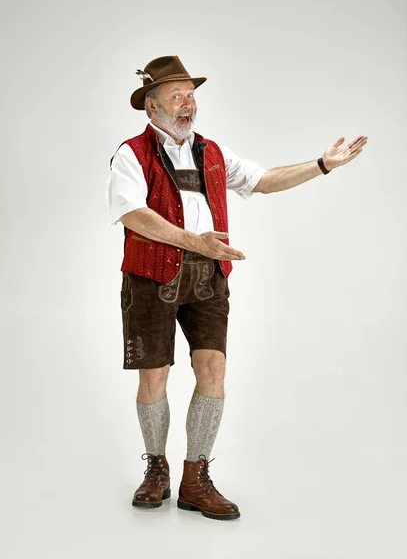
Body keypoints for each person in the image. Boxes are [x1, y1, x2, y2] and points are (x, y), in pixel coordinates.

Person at [105, 55, 368, 521]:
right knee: (155, 376)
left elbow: (264, 180)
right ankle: (157, 469)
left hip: (208, 277)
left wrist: (322, 165)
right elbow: (132, 214)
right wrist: (192, 241)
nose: (188, 104)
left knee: (213, 370)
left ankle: (195, 476)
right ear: (151, 106)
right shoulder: (131, 153)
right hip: (150, 276)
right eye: (176, 96)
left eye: (191, 95)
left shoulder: (212, 153)